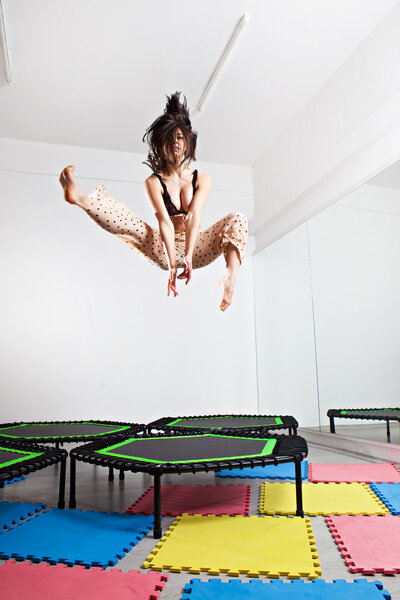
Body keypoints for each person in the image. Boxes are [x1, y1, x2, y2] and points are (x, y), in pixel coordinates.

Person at [59, 92, 248, 311]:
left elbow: (195, 215)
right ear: (161, 144)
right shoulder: (153, 182)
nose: (175, 143)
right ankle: (82, 198)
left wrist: (187, 255)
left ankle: (229, 278)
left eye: (179, 137)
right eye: (170, 139)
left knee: (237, 218)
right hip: (163, 248)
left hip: (196, 246)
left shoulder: (202, 179)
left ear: (187, 143)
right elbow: (164, 221)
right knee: (134, 226)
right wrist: (170, 266)